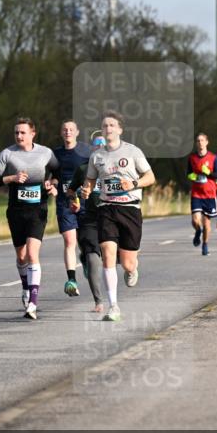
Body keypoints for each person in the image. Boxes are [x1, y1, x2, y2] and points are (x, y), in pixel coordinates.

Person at [82, 110, 155, 322]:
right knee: (107, 253)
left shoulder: (132, 152)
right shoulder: (97, 156)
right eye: (105, 125)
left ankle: (132, 269)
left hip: (130, 208)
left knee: (128, 262)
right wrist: (87, 190)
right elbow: (90, 180)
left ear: (120, 129)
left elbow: (150, 177)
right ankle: (113, 306)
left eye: (112, 125)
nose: (108, 128)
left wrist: (133, 183)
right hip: (107, 207)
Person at [0, 117, 58, 320]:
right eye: (16, 132)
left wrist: (51, 183)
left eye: (23, 132)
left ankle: (33, 303)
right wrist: (11, 178)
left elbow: (57, 171)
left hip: (38, 210)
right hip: (16, 210)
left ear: (32, 133)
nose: (19, 136)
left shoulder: (45, 153)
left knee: (33, 254)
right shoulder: (7, 154)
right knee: (21, 256)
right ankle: (26, 288)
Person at [67, 133, 107, 312]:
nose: (99, 150)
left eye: (103, 147)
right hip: (90, 217)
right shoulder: (83, 169)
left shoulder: (116, 168)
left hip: (113, 215)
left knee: (122, 258)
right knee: (93, 258)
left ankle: (131, 267)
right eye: (96, 147)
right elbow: (70, 190)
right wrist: (74, 199)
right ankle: (98, 301)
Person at [52, 119, 90, 298]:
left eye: (71, 129)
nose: (67, 132)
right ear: (61, 133)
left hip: (84, 201)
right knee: (69, 241)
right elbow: (54, 176)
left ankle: (85, 259)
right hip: (64, 202)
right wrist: (51, 184)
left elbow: (94, 172)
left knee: (84, 241)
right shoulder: (56, 153)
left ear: (77, 132)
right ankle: (71, 281)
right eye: (64, 129)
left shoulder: (86, 151)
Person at [187, 133, 217, 256]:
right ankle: (197, 231)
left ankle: (205, 244)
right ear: (196, 143)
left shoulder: (213, 158)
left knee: (207, 223)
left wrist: (209, 172)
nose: (200, 143)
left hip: (210, 194)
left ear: (207, 142)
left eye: (202, 140)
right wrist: (193, 176)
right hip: (196, 193)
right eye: (198, 141)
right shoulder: (192, 158)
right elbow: (188, 173)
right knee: (196, 220)